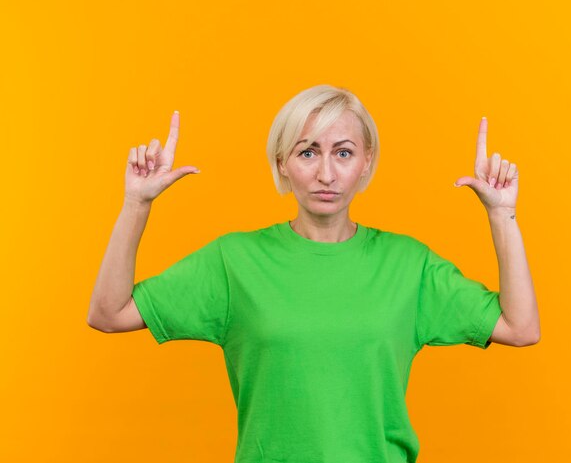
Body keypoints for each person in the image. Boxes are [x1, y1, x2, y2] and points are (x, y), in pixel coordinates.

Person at [87, 85, 540, 462]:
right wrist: (136, 204)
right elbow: (109, 313)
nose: (326, 172)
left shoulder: (409, 265)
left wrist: (502, 215)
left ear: (366, 162)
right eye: (308, 152)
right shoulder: (234, 261)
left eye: (343, 152)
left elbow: (520, 327)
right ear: (283, 162)